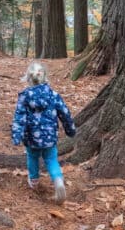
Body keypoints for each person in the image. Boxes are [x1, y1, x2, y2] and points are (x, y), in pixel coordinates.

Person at [11, 61, 76, 204]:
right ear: (45, 77)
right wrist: (70, 130)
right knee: (51, 159)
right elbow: (65, 113)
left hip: (31, 138)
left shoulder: (24, 96)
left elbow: (19, 117)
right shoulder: (53, 95)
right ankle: (58, 180)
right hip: (50, 137)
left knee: (32, 157)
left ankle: (33, 181)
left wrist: (17, 136)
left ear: (28, 78)